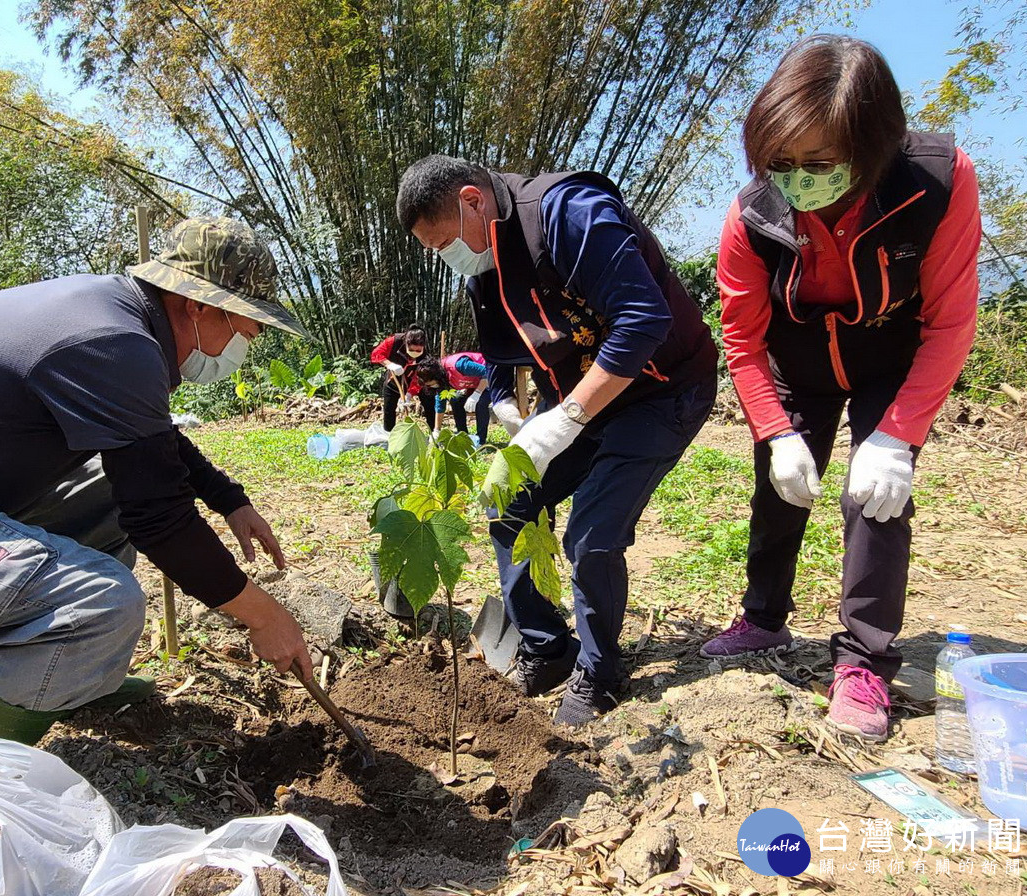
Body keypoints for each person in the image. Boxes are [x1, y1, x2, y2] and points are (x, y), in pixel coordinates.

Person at [0, 217, 316, 788]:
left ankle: (78, 675)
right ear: (200, 306)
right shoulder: (111, 342)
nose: (249, 342)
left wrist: (228, 500)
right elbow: (159, 518)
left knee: (110, 485)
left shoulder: (111, 317)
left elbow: (148, 443)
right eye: (248, 326)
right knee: (101, 604)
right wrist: (265, 618)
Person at [704, 35, 981, 743]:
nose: (798, 181)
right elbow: (741, 339)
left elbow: (950, 322)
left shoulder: (936, 183)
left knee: (877, 498)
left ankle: (863, 660)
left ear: (871, 146)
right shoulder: (751, 214)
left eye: (820, 164)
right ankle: (763, 619)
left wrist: (898, 434)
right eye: (781, 164)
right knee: (781, 486)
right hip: (799, 362)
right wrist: (774, 429)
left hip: (890, 354)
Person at [397, 155, 718, 726]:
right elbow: (501, 351)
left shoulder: (570, 214)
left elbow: (645, 319)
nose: (446, 258)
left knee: (592, 534)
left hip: (661, 392)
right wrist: (497, 400)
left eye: (444, 242)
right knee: (507, 499)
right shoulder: (486, 262)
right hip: (581, 400)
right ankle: (546, 648)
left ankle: (599, 674)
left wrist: (566, 416)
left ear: (473, 200)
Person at [414, 352, 493, 445]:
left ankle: (481, 441)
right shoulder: (441, 380)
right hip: (474, 384)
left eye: (431, 384)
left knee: (481, 403)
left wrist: (477, 393)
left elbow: (487, 372)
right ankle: (463, 436)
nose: (432, 387)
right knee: (455, 399)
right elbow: (440, 404)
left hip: (491, 379)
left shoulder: (459, 365)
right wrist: (436, 430)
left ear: (437, 377)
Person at [370, 324, 428, 431]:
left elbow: (419, 376)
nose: (414, 353)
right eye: (411, 349)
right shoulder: (394, 341)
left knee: (429, 404)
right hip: (393, 381)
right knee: (389, 410)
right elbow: (376, 354)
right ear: (406, 343)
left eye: (418, 351)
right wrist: (389, 364)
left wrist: (410, 394)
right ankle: (389, 435)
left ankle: (434, 432)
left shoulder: (425, 355)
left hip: (414, 382)